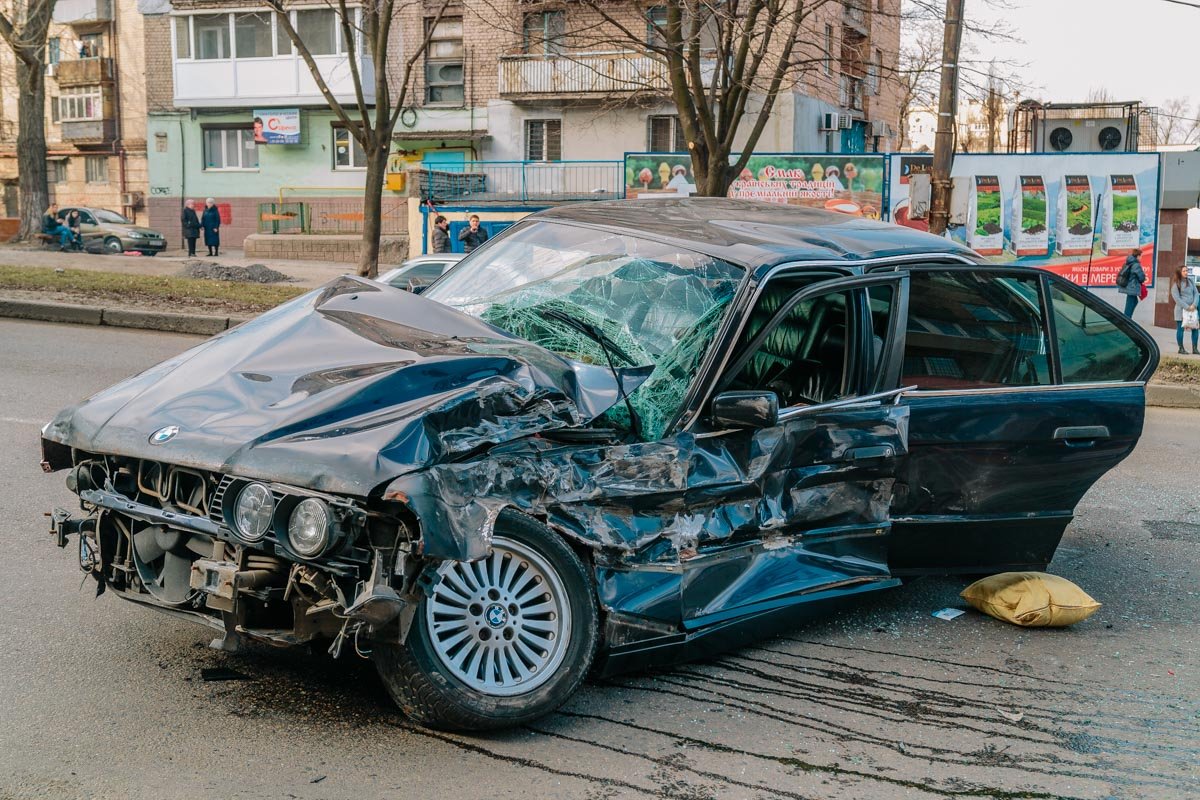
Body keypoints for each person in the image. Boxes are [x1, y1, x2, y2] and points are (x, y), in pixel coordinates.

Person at [1170, 264, 1199, 355]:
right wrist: (1187, 307)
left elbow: (1196, 294)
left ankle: (1195, 349)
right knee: (1180, 329)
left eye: (1187, 271)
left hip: (1193, 309)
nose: (1186, 272)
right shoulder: (1176, 284)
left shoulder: (1190, 281)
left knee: (1195, 328)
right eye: (1184, 271)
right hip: (1181, 310)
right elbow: (1177, 299)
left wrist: (1194, 305)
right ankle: (1181, 348)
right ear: (1179, 272)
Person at [1116, 247, 1146, 318]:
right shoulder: (1136, 265)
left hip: (1129, 287)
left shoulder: (1129, 262)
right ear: (1138, 256)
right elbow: (1141, 277)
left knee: (1133, 302)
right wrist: (1143, 278)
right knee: (1130, 305)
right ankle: (1127, 320)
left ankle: (1128, 318)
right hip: (1132, 287)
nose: (1141, 258)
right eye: (1141, 256)